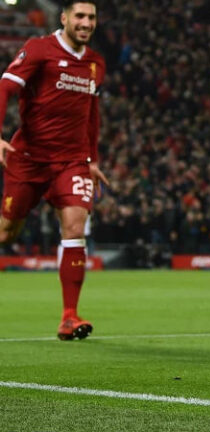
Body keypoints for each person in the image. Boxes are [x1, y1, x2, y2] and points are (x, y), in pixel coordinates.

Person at [0, 0, 108, 339]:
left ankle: (69, 317)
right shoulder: (38, 49)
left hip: (72, 162)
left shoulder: (96, 63)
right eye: (80, 16)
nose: (86, 22)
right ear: (64, 18)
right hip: (29, 159)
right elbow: (5, 88)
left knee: (75, 227)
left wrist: (92, 160)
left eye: (91, 17)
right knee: (6, 233)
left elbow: (91, 114)